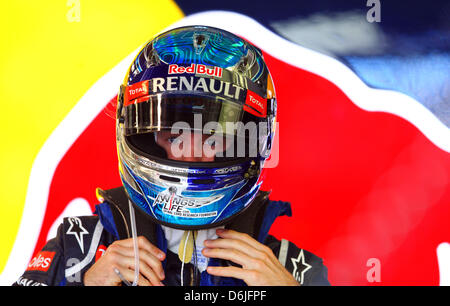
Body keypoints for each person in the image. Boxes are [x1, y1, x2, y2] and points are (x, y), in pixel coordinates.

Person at [13, 26, 330, 286]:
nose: (191, 152)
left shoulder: (293, 268)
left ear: (251, 140)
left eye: (212, 135)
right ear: (141, 134)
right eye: (175, 134)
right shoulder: (79, 246)